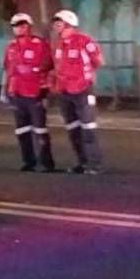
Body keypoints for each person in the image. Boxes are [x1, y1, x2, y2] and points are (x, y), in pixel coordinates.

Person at [51, 9, 104, 174]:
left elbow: (98, 60)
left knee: (88, 127)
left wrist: (84, 77)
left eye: (59, 23)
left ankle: (94, 164)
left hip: (82, 90)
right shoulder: (58, 43)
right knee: (72, 128)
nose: (55, 26)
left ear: (68, 24)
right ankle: (81, 162)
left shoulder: (83, 40)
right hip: (65, 92)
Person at [2, 13, 55, 172]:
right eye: (16, 25)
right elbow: (7, 70)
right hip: (17, 93)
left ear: (29, 27)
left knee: (40, 129)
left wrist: (44, 89)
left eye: (23, 25)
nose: (19, 28)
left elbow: (48, 65)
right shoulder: (11, 46)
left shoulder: (39, 44)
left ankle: (46, 163)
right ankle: (28, 161)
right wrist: (5, 90)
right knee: (21, 129)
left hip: (35, 93)